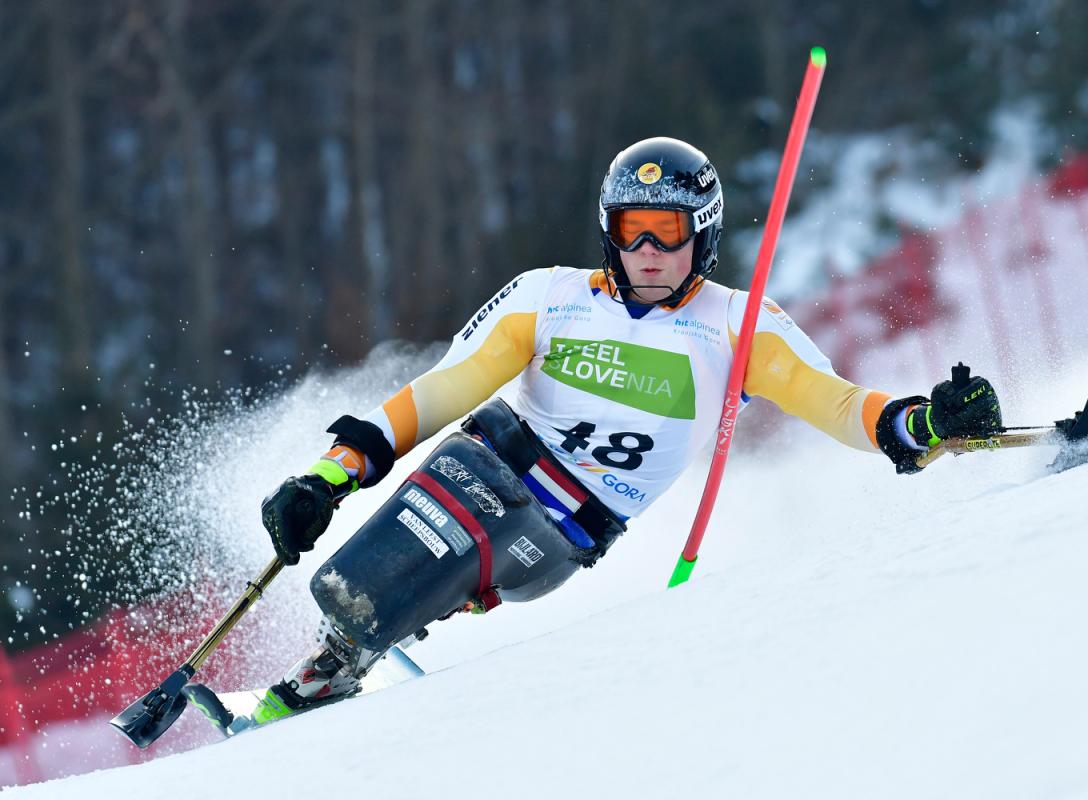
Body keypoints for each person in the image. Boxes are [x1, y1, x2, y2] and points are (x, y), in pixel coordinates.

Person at [185, 137, 1002, 731]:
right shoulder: (550, 296)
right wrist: (333, 474)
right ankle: (335, 658)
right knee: (448, 490)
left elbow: (834, 402)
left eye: (669, 232)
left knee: (479, 525)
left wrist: (918, 424)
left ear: (703, 235)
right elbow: (440, 392)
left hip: (566, 522)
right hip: (489, 456)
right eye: (631, 227)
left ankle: (348, 652)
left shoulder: (737, 326)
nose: (646, 252)